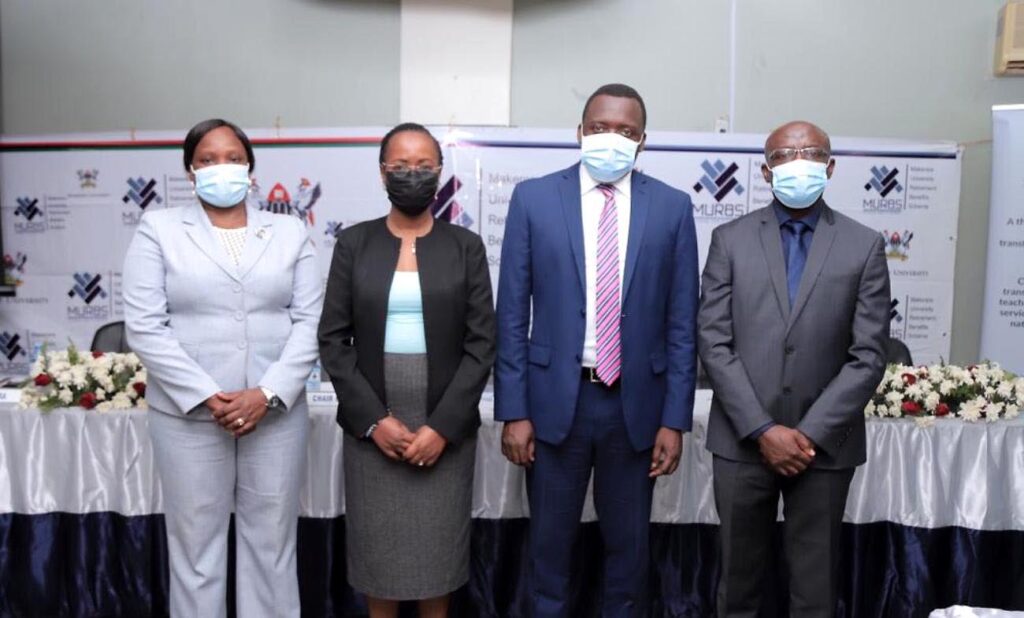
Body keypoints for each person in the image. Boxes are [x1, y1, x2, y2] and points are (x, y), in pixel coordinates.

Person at [495, 83, 699, 617]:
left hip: (634, 410)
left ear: (643, 142)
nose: (612, 138)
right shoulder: (534, 199)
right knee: (548, 555)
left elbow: (682, 325)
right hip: (553, 406)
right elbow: (512, 316)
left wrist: (674, 420)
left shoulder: (673, 209)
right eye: (601, 127)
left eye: (626, 132)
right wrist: (513, 410)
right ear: (579, 132)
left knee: (628, 559)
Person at [122, 118, 322, 617]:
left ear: (251, 169)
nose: (221, 168)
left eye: (232, 157)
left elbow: (311, 321)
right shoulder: (159, 229)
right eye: (207, 160)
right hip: (188, 418)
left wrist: (268, 393)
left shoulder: (290, 230)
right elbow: (145, 326)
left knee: (272, 547)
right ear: (190, 172)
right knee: (196, 552)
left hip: (274, 415)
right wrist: (211, 396)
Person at [698, 121, 890, 617]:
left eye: (810, 152)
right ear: (765, 171)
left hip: (823, 450)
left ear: (830, 167)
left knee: (814, 592)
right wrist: (762, 430)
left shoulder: (864, 245)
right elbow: (714, 342)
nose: (797, 162)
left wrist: (806, 435)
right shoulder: (729, 239)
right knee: (737, 588)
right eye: (785, 154)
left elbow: (868, 353)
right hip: (742, 443)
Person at [318, 123, 495, 618]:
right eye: (400, 166)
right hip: (373, 424)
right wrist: (374, 421)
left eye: (423, 167)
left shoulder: (466, 247)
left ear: (439, 173)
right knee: (380, 563)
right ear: (382, 173)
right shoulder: (353, 244)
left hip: (445, 423)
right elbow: (333, 339)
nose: (411, 175)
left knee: (436, 562)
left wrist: (442, 427)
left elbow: (482, 344)